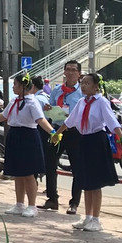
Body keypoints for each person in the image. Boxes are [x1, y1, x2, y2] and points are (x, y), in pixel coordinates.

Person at [54, 73, 122, 233]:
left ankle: (96, 219)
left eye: (87, 83)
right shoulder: (81, 102)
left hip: (97, 141)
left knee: (95, 183)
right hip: (84, 140)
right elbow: (70, 120)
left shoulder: (101, 102)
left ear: (96, 86)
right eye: (82, 83)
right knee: (86, 181)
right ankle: (87, 216)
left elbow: (111, 121)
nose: (83, 86)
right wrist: (58, 133)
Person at [0, 73, 54, 218]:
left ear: (22, 86)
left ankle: (32, 205)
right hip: (14, 135)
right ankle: (19, 204)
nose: (13, 87)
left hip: (28, 136)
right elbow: (3, 115)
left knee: (28, 173)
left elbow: (40, 119)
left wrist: (53, 132)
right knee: (18, 173)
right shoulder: (14, 101)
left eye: (15, 85)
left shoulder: (32, 102)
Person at [46, 60, 85, 214]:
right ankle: (52, 199)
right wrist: (49, 110)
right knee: (50, 163)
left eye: (73, 70)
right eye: (67, 69)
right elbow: (49, 109)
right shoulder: (56, 91)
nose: (70, 72)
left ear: (79, 74)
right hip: (57, 130)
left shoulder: (82, 92)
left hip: (75, 132)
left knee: (77, 167)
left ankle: (74, 203)